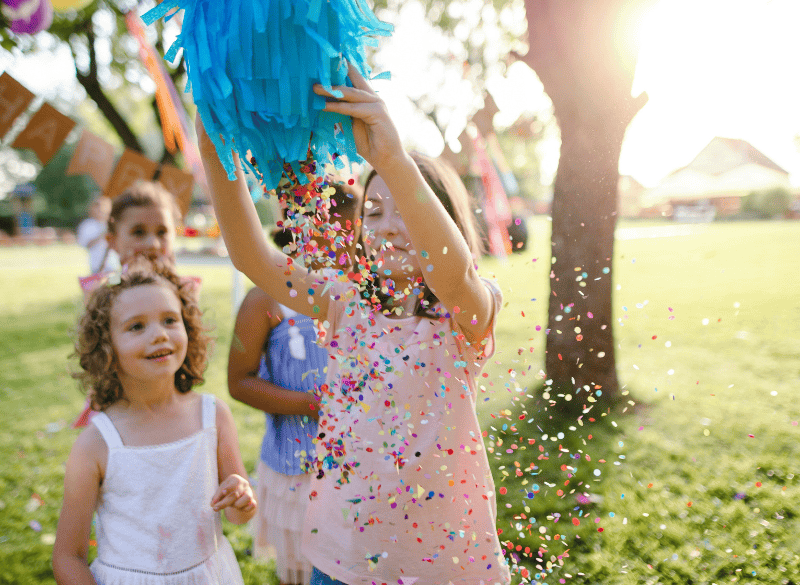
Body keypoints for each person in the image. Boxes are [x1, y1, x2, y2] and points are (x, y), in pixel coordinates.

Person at [198, 64, 511, 585]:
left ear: (446, 222)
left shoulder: (467, 315)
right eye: (375, 210)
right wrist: (215, 145)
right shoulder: (344, 304)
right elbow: (253, 256)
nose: (389, 226)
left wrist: (390, 156)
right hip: (344, 559)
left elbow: (452, 274)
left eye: (406, 211)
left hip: (444, 563)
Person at [52, 259, 256, 585]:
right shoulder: (97, 444)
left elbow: (237, 514)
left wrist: (242, 498)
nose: (160, 334)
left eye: (169, 320)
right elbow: (67, 556)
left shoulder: (213, 416)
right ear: (107, 348)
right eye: (136, 326)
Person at [228, 183, 360, 585]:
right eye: (325, 224)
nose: (340, 239)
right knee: (304, 573)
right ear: (295, 227)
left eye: (349, 229)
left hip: (359, 465)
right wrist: (313, 403)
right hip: (296, 467)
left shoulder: (363, 293)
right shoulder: (264, 300)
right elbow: (239, 381)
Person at [74, 180, 184, 427]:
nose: (152, 244)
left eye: (162, 232)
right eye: (138, 232)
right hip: (122, 404)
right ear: (112, 240)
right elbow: (96, 356)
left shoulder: (183, 289)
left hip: (171, 402)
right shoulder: (104, 290)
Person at [76, 196, 113, 275]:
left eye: (104, 206)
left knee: (116, 285)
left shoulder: (111, 223)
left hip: (113, 266)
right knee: (102, 287)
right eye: (97, 206)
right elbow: (87, 245)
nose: (101, 209)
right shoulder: (87, 225)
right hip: (97, 267)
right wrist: (103, 234)